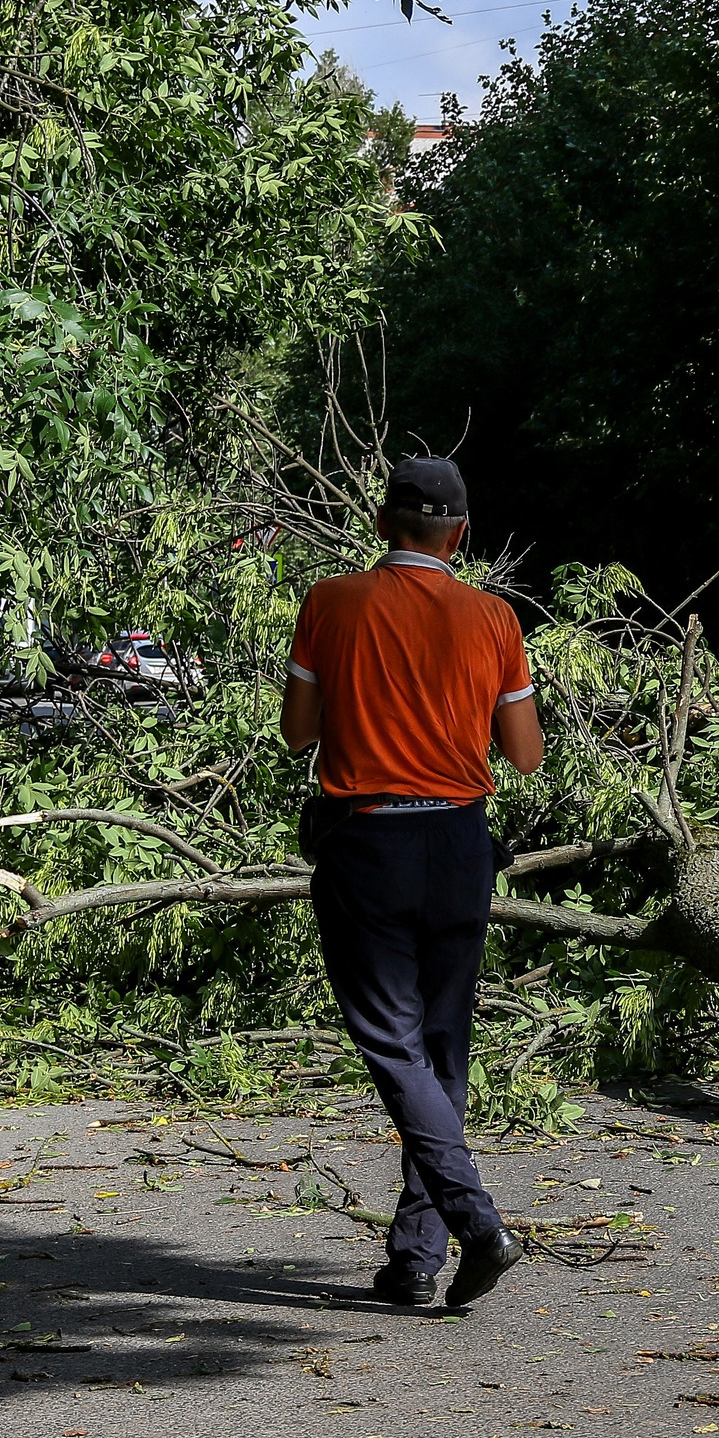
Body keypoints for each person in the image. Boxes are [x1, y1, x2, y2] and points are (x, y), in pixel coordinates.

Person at [281, 456, 545, 1310]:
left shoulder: (330, 602)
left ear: (383, 521)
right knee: (441, 1046)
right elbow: (525, 754)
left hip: (369, 841)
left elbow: (297, 734)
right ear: (461, 534)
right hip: (461, 842)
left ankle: (478, 1224)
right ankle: (415, 1259)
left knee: (395, 1044)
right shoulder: (495, 616)